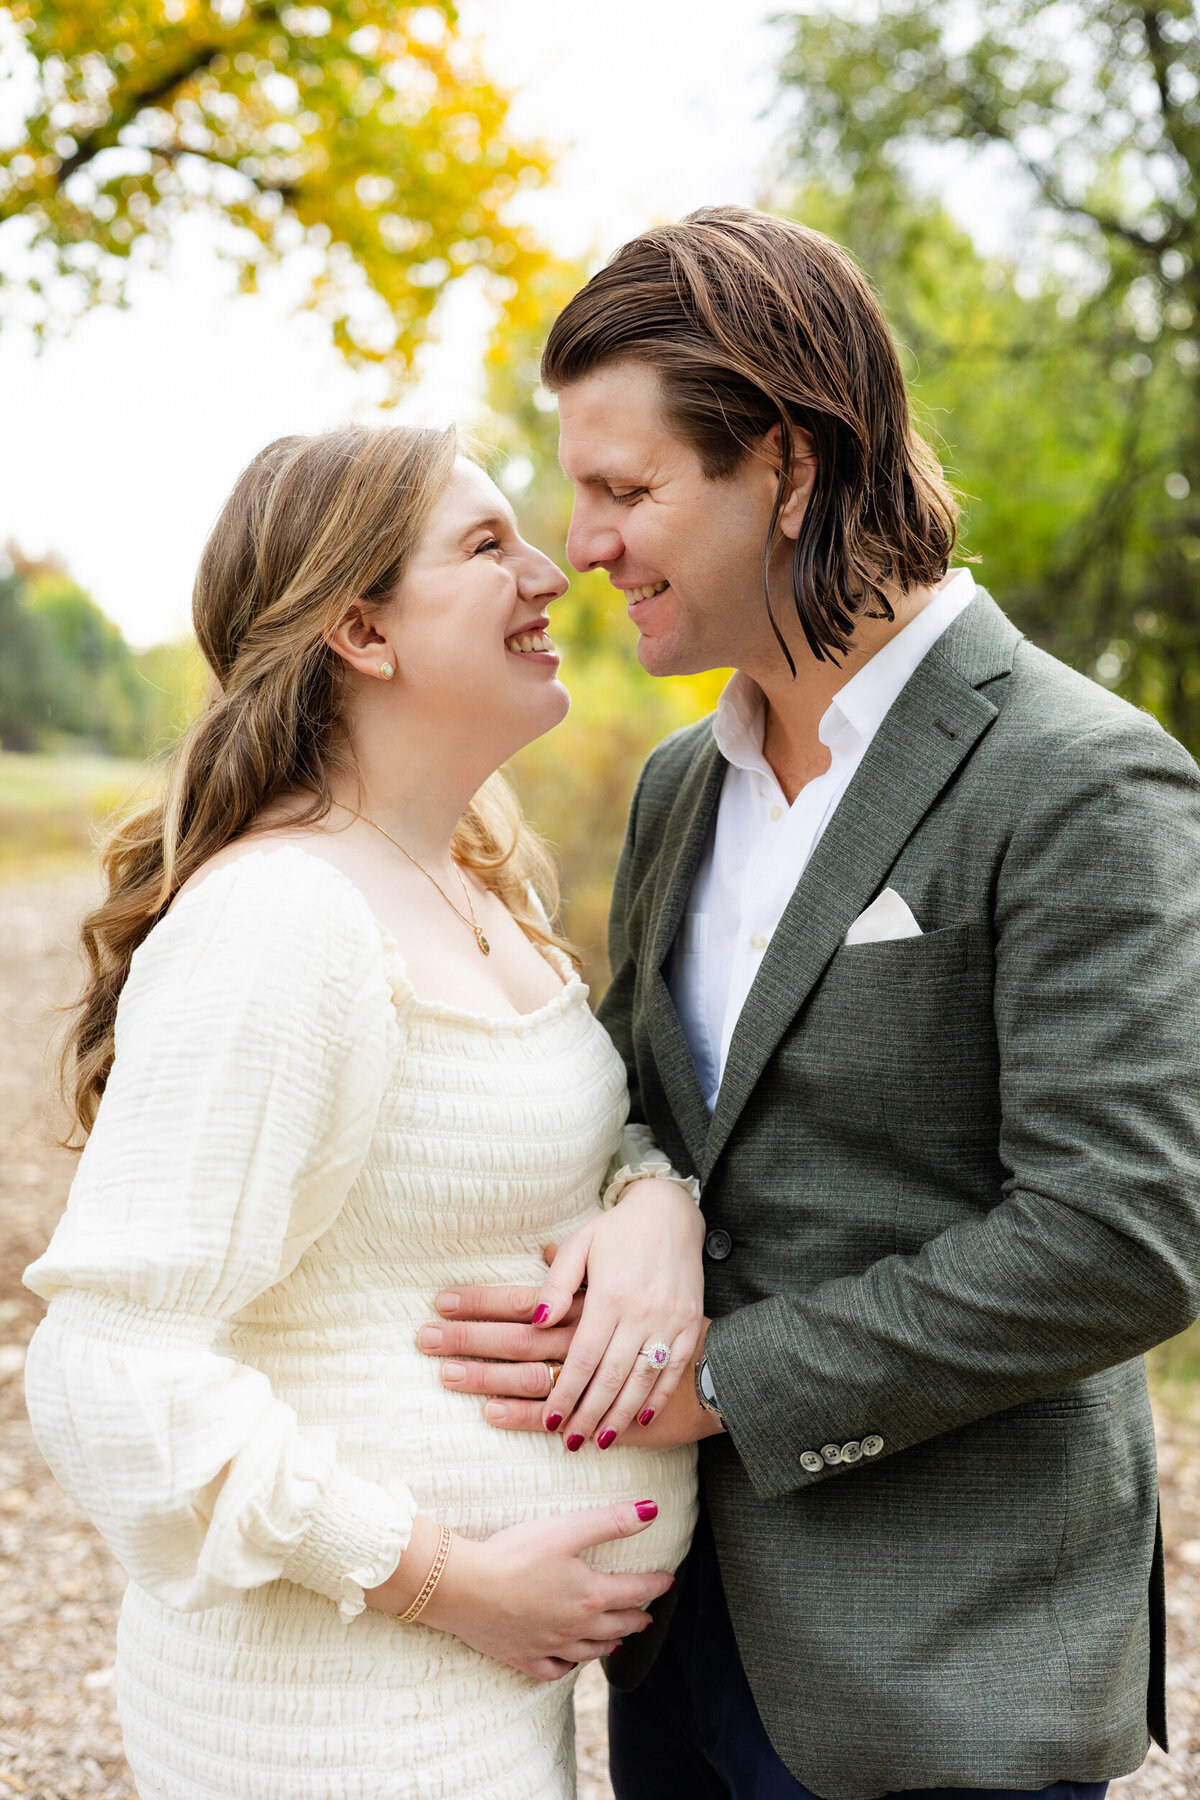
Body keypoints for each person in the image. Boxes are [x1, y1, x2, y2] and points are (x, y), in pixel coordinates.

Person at [416, 207, 1200, 1800]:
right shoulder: (671, 790)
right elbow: (654, 1098)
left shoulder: (1081, 777)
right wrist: (645, 1198)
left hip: (945, 1671)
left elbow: (1125, 1231)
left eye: (629, 490)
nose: (584, 544)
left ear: (786, 463)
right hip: (677, 1637)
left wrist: (723, 1387)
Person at [22, 423, 702, 1800]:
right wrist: (441, 1577)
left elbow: (562, 1147)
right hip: (332, 1721)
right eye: (484, 546)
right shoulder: (284, 922)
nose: (550, 571)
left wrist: (655, 1207)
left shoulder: (468, 878)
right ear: (363, 635)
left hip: (468, 1704)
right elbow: (105, 1370)